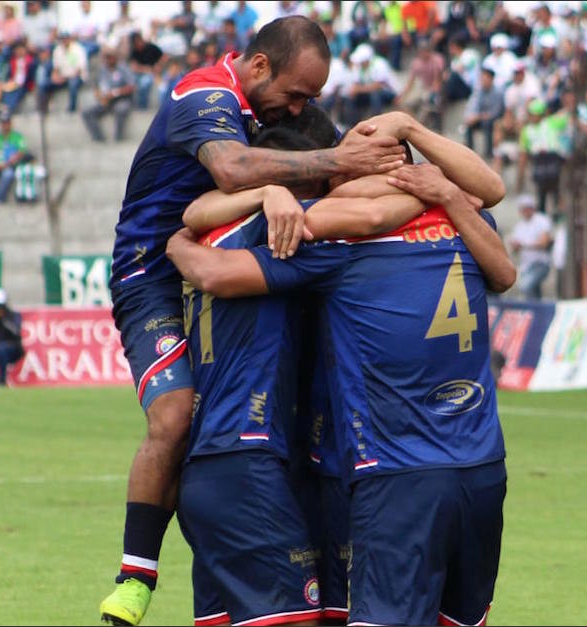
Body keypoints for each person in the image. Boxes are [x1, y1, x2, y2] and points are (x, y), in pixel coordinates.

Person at [98, 16, 406, 627]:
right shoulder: (204, 94)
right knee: (177, 414)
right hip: (155, 272)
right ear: (259, 67)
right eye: (296, 94)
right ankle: (136, 576)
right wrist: (299, 175)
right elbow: (235, 170)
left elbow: (335, 165)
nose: (301, 109)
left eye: (311, 100)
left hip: (227, 259)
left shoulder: (281, 113)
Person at [165, 113, 514, 627]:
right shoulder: (466, 216)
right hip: (484, 464)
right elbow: (502, 259)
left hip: (396, 473)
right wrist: (442, 189)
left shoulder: (339, 243)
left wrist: (177, 243)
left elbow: (214, 258)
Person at [80, 47, 134, 143]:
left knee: (121, 110)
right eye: (106, 58)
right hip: (105, 101)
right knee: (87, 113)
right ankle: (99, 139)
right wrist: (99, 95)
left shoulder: (123, 68)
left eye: (110, 57)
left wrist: (114, 93)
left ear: (115, 57)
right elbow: (96, 86)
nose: (108, 60)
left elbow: (131, 87)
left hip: (121, 99)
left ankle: (119, 139)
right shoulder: (102, 70)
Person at [505, 193, 553, 300]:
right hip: (526, 265)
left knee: (526, 286)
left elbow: (544, 242)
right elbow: (516, 249)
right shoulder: (519, 226)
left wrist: (523, 245)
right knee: (534, 292)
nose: (525, 211)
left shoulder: (541, 220)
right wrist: (515, 246)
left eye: (528, 208)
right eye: (523, 209)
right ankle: (539, 311)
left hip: (540, 263)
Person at [463, 66, 503, 161]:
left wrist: (478, 117)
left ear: (491, 79)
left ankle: (488, 153)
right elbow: (474, 106)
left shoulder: (498, 92)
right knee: (469, 125)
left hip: (495, 120)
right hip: (481, 118)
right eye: (482, 78)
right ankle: (470, 152)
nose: (483, 80)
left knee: (488, 123)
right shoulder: (479, 91)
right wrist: (471, 117)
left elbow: (495, 113)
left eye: (485, 78)